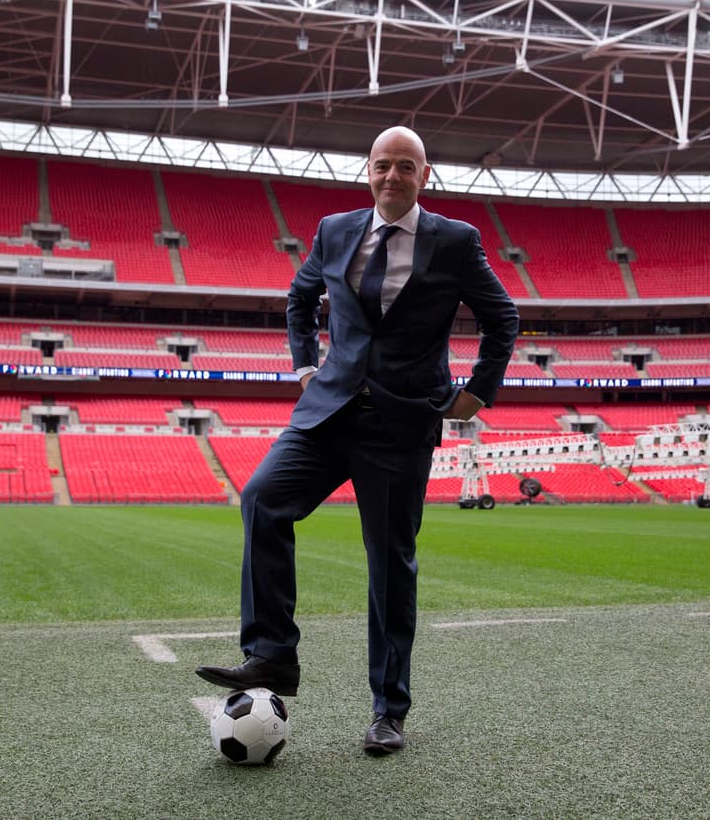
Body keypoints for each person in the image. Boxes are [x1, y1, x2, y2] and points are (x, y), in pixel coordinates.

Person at [197, 125, 519, 755]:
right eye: (382, 165)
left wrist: (477, 392)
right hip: (329, 411)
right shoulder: (334, 230)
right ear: (368, 171)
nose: (392, 176)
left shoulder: (456, 241)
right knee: (262, 498)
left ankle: (388, 711)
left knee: (389, 564)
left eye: (406, 166)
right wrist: (304, 366)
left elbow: (502, 317)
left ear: (424, 175)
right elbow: (299, 299)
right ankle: (271, 655)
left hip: (400, 425)